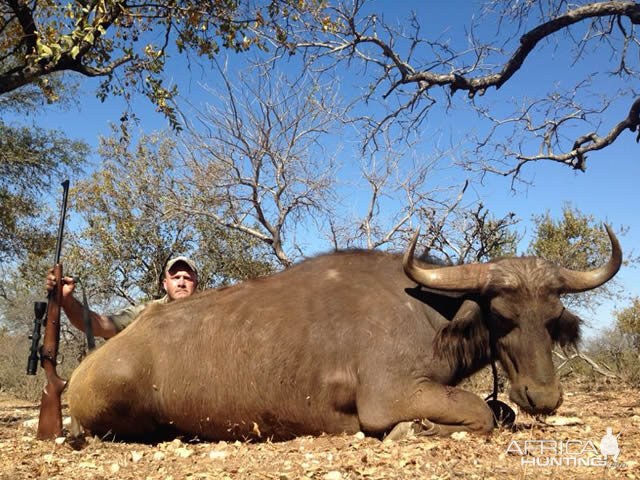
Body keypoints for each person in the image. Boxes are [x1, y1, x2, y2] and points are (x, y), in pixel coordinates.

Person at [45, 256, 198, 339]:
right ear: (165, 284)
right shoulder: (147, 311)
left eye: (188, 278)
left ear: (196, 283)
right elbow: (101, 326)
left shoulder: (209, 314)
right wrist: (67, 301)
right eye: (176, 277)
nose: (182, 283)